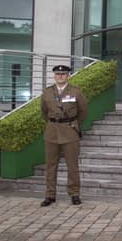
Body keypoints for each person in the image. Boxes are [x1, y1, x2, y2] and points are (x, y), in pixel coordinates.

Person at [40, 65, 88, 207]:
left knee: (72, 165)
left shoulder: (76, 92)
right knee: (50, 165)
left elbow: (83, 111)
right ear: (54, 76)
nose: (60, 76)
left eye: (63, 74)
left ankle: (74, 194)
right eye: (58, 74)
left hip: (69, 132)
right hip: (52, 132)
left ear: (68, 76)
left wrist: (73, 124)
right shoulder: (47, 92)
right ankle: (50, 195)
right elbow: (43, 112)